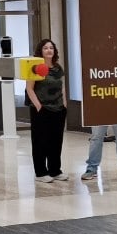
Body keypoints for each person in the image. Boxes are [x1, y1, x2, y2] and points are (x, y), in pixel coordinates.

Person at [26, 38, 68, 183]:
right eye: (45, 48)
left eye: (51, 48)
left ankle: (55, 170)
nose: (49, 50)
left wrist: (65, 104)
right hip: (42, 109)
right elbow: (29, 89)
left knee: (56, 141)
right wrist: (38, 106)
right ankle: (40, 172)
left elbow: (62, 86)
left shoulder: (58, 68)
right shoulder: (35, 67)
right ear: (40, 51)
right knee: (40, 141)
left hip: (58, 109)